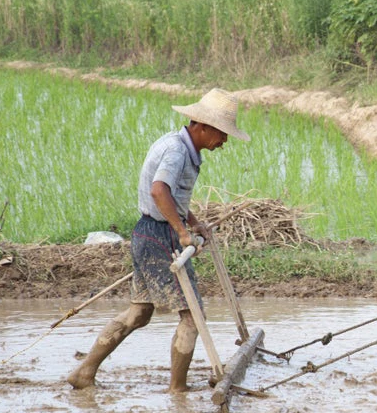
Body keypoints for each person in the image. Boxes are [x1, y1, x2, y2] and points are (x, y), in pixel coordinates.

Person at [67, 88, 250, 392]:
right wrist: (181, 232)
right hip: (159, 237)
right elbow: (158, 191)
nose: (224, 141)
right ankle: (178, 390)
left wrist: (194, 223)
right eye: (222, 133)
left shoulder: (178, 145)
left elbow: (172, 196)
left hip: (147, 232)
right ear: (202, 126)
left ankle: (84, 372)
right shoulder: (177, 151)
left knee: (139, 313)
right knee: (192, 318)